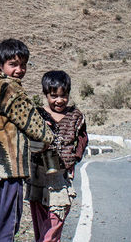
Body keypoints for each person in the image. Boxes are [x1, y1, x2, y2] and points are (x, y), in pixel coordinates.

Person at [0, 38, 56, 242]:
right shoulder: (10, 89)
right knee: (7, 223)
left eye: (23, 65)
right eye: (13, 65)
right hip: (7, 169)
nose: (19, 70)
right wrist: (51, 137)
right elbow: (33, 124)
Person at [27, 70, 88, 242]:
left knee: (56, 217)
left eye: (64, 95)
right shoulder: (37, 115)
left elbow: (82, 139)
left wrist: (74, 160)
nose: (59, 100)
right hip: (38, 174)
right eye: (54, 96)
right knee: (41, 220)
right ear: (46, 94)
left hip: (61, 175)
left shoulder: (76, 116)